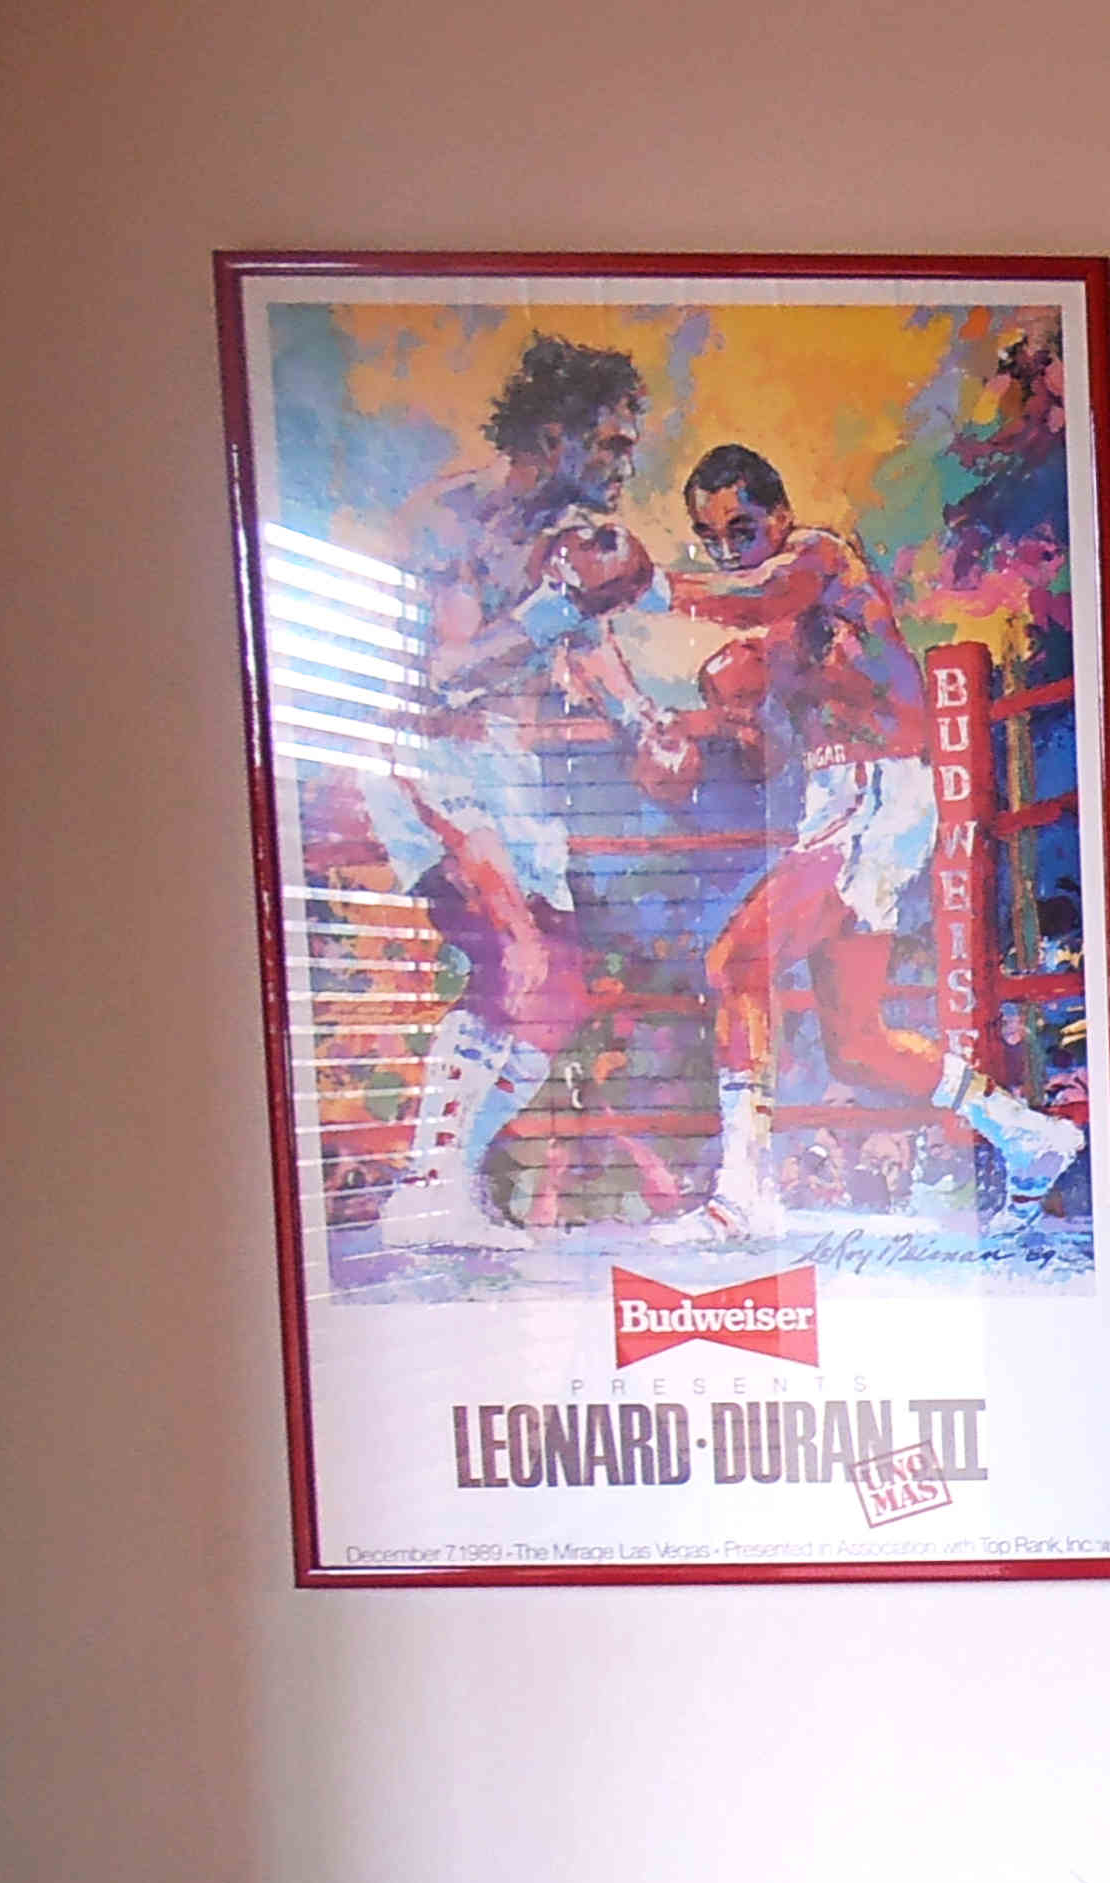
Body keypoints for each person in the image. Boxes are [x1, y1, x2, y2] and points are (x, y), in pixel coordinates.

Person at [645, 442, 1082, 1244]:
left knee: (736, 964)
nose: (727, 550)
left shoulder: (820, 559)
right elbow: (766, 750)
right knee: (856, 1045)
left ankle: (742, 1194)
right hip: (841, 803)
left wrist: (646, 587)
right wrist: (699, 729)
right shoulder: (771, 644)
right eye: (709, 538)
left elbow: (761, 593)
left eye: (741, 528)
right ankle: (1029, 1134)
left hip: (878, 793)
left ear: (780, 515)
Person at [364, 336, 696, 1250]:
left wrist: (645, 725)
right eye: (612, 443)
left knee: (558, 996)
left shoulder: (567, 537)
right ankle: (424, 1189)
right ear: (555, 436)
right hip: (432, 756)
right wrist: (558, 607)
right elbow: (446, 674)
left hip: (510, 770)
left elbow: (589, 653)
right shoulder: (454, 519)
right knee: (515, 958)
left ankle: (443, 1187)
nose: (625, 463)